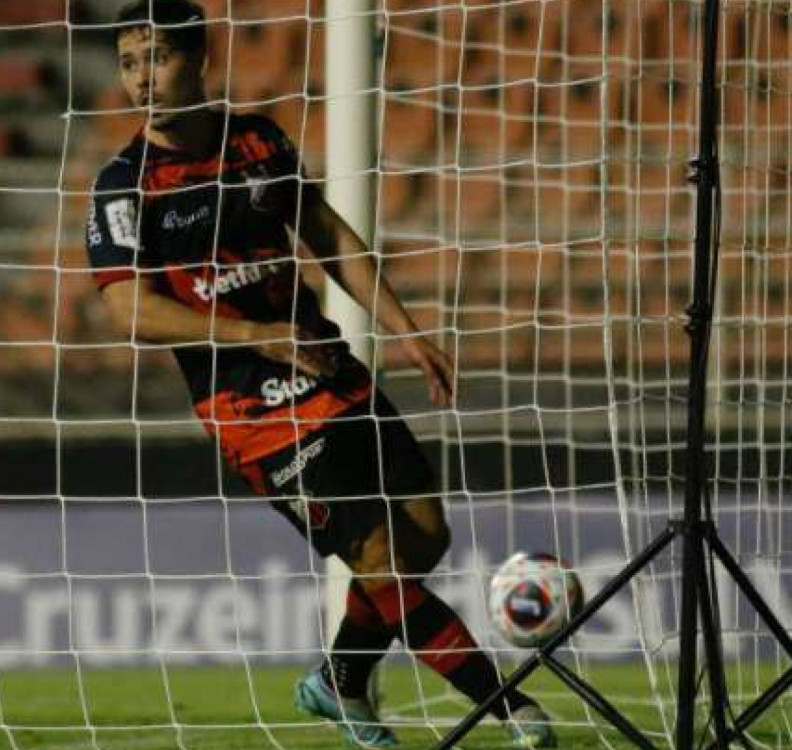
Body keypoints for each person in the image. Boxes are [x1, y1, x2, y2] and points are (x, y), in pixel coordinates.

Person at [84, 1, 556, 747]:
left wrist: (409, 333)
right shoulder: (122, 185)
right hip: (252, 411)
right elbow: (130, 313)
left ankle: (338, 683)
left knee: (424, 539)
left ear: (199, 60)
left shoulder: (258, 142)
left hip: (328, 367)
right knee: (377, 559)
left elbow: (329, 235)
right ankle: (513, 713)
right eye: (130, 62)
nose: (142, 79)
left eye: (159, 59)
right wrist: (253, 334)